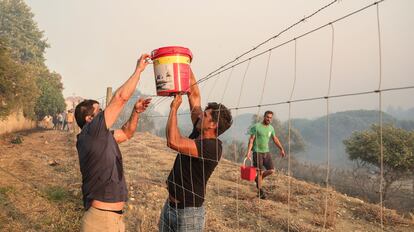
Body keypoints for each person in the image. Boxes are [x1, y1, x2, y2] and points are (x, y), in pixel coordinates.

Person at [74, 54, 151, 232]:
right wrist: (138, 70)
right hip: (101, 221)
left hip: (112, 219)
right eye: (99, 112)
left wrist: (136, 112)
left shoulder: (99, 136)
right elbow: (120, 98)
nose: (103, 114)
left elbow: (126, 133)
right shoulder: (91, 133)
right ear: (89, 119)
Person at [159, 70, 233, 231]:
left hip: (189, 214)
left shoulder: (212, 147)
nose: (200, 116)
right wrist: (185, 65)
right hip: (170, 206)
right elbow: (193, 95)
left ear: (213, 125)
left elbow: (173, 141)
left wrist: (174, 109)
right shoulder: (200, 130)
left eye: (205, 115)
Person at [246, 111, 286, 199]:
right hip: (257, 152)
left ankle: (258, 179)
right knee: (259, 172)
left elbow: (275, 139)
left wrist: (281, 149)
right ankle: (260, 192)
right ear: (264, 117)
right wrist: (248, 152)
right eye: (267, 117)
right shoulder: (256, 127)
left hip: (266, 152)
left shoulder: (271, 128)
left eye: (270, 118)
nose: (269, 119)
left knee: (271, 170)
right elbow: (251, 139)